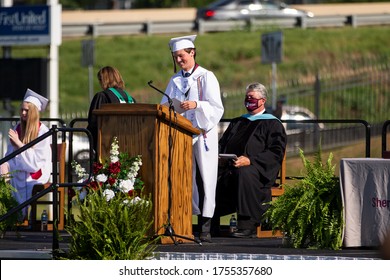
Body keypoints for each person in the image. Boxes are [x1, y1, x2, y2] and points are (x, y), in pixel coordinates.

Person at [161, 34, 224, 242]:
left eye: (181, 56)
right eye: (175, 57)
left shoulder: (206, 76)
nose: (179, 60)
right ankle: (187, 220)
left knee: (206, 177)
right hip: (182, 134)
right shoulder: (175, 80)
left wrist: (197, 105)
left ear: (192, 52)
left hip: (203, 133)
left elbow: (216, 107)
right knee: (184, 176)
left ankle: (206, 226)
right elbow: (164, 105)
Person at [214, 82, 287, 238]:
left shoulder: (272, 124)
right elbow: (222, 145)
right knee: (209, 175)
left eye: (252, 98)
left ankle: (247, 225)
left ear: (262, 101)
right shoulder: (237, 122)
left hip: (256, 171)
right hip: (229, 167)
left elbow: (276, 152)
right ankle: (208, 223)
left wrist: (250, 160)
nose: (248, 100)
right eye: (246, 97)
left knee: (243, 173)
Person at [1, 89, 52, 219]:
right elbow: (10, 154)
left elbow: (36, 163)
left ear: (34, 113)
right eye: (22, 110)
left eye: (27, 111)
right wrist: (6, 165)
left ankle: (18, 215)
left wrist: (19, 144)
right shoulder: (18, 127)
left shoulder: (43, 132)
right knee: (2, 167)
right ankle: (6, 211)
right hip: (20, 167)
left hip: (36, 171)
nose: (23, 113)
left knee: (26, 183)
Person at [86, 66, 135, 154]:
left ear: (103, 80)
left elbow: (93, 123)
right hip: (130, 145)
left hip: (108, 146)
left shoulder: (102, 96)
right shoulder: (130, 99)